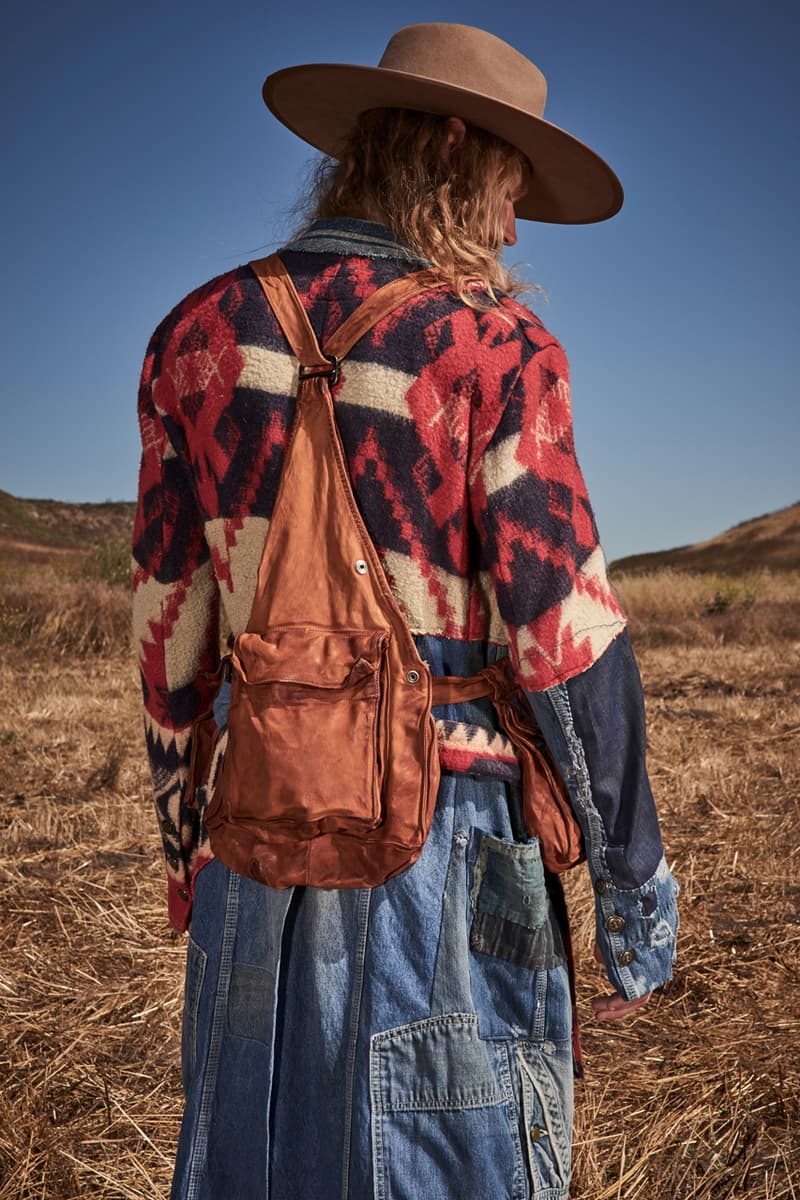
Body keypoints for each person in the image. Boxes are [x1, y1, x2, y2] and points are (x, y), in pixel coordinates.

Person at [132, 22, 678, 1199]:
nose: (512, 225)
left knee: (248, 1159)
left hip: (252, 844)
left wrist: (189, 855)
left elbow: (167, 632)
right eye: (506, 185)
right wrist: (632, 876)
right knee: (451, 1160)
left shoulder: (193, 337)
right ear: (447, 148)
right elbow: (565, 636)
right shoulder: (494, 348)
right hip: (447, 844)